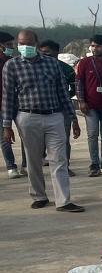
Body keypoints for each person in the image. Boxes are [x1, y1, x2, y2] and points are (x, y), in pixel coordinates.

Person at [1, 29, 84, 212]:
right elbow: (7, 97)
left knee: (59, 159)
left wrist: (73, 118)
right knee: (33, 160)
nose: (25, 47)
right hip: (27, 117)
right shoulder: (12, 66)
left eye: (28, 43)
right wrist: (7, 125)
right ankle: (39, 196)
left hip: (54, 116)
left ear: (36, 45)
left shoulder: (51, 64)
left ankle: (63, 201)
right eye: (21, 44)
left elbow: (63, 92)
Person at [76, 34, 102, 176]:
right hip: (90, 106)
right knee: (92, 135)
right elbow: (79, 83)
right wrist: (81, 101)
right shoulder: (85, 63)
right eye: (92, 45)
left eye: (98, 46)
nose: (95, 48)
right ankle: (94, 164)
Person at [38, 40, 80, 176]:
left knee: (63, 139)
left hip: (62, 109)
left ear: (57, 52)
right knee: (39, 141)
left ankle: (65, 166)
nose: (44, 56)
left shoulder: (66, 69)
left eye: (48, 53)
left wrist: (63, 96)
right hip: (42, 109)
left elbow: (74, 88)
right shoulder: (37, 68)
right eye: (42, 53)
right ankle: (35, 166)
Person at [0, 31, 27, 179]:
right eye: (9, 45)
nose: (12, 47)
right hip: (2, 106)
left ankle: (26, 165)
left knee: (26, 136)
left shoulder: (14, 62)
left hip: (18, 104)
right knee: (5, 136)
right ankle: (11, 166)